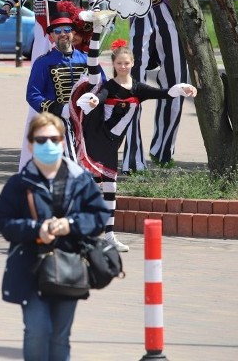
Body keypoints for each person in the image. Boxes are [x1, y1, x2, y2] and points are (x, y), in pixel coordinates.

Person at [71, 15, 196, 252]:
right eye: (119, 63)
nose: (123, 66)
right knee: (95, 184)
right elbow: (100, 90)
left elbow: (164, 93)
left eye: (127, 63)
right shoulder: (108, 86)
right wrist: (95, 99)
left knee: (109, 188)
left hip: (112, 143)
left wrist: (182, 88)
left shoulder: (138, 88)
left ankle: (107, 235)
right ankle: (83, 232)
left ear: (132, 62)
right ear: (114, 64)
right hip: (96, 138)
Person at [0, 112, 110, 361]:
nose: (48, 145)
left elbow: (99, 215)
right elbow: (3, 220)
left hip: (69, 266)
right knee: (37, 330)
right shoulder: (19, 183)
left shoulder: (81, 180)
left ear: (62, 142)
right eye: (41, 139)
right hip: (30, 266)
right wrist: (37, 230)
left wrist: (71, 224)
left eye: (54, 139)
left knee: (59, 335)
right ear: (30, 143)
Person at [118, 0, 188, 172]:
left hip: (163, 14)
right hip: (138, 19)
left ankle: (163, 150)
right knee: (131, 84)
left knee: (176, 81)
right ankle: (133, 158)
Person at [25, 14, 96, 166]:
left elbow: (101, 86)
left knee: (87, 163)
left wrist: (93, 100)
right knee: (67, 163)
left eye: (67, 30)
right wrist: (59, 109)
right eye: (57, 31)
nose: (62, 34)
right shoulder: (43, 62)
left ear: (73, 33)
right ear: (51, 36)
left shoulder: (87, 60)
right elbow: (33, 95)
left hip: (86, 120)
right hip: (57, 121)